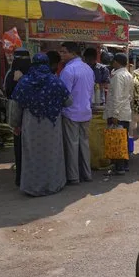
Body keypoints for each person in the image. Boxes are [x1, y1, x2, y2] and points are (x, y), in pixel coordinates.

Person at [9, 53, 72, 196]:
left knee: (32, 155)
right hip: (52, 124)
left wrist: (15, 124)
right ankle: (53, 185)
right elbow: (69, 101)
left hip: (31, 125)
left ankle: (32, 187)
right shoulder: (55, 81)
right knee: (52, 154)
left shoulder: (24, 82)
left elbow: (16, 106)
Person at [59, 41, 95, 185]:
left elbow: (63, 95)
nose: (61, 55)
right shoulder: (88, 69)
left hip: (71, 113)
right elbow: (90, 91)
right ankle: (87, 174)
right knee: (84, 144)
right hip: (85, 111)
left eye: (63, 52)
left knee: (72, 145)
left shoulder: (68, 70)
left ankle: (74, 177)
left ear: (72, 53)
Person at [4, 48, 31, 187]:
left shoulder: (14, 74)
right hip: (25, 118)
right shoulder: (30, 74)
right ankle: (22, 177)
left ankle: (22, 178)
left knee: (22, 147)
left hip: (21, 117)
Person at [104, 53, 134, 176]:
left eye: (113, 61)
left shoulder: (118, 76)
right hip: (125, 111)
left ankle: (119, 167)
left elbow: (117, 97)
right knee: (123, 139)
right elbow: (130, 95)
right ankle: (124, 165)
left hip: (118, 113)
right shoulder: (128, 75)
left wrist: (115, 114)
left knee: (117, 140)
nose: (112, 63)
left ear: (117, 62)